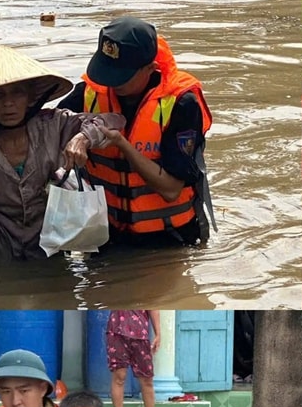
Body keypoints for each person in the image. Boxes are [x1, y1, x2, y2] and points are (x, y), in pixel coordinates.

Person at [0, 46, 126, 275]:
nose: (8, 103)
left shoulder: (55, 124)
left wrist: (82, 139)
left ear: (31, 97)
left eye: (17, 93)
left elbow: (113, 121)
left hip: (45, 238)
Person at [57, 17, 216, 248]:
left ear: (150, 69)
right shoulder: (90, 94)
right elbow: (46, 127)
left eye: (121, 75)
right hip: (108, 233)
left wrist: (122, 144)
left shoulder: (182, 104)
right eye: (107, 71)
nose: (111, 83)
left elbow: (172, 190)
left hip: (169, 238)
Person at [107, 310, 164, 407]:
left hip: (141, 334)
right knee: (119, 376)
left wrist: (158, 333)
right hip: (117, 332)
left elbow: (153, 307)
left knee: (147, 379)